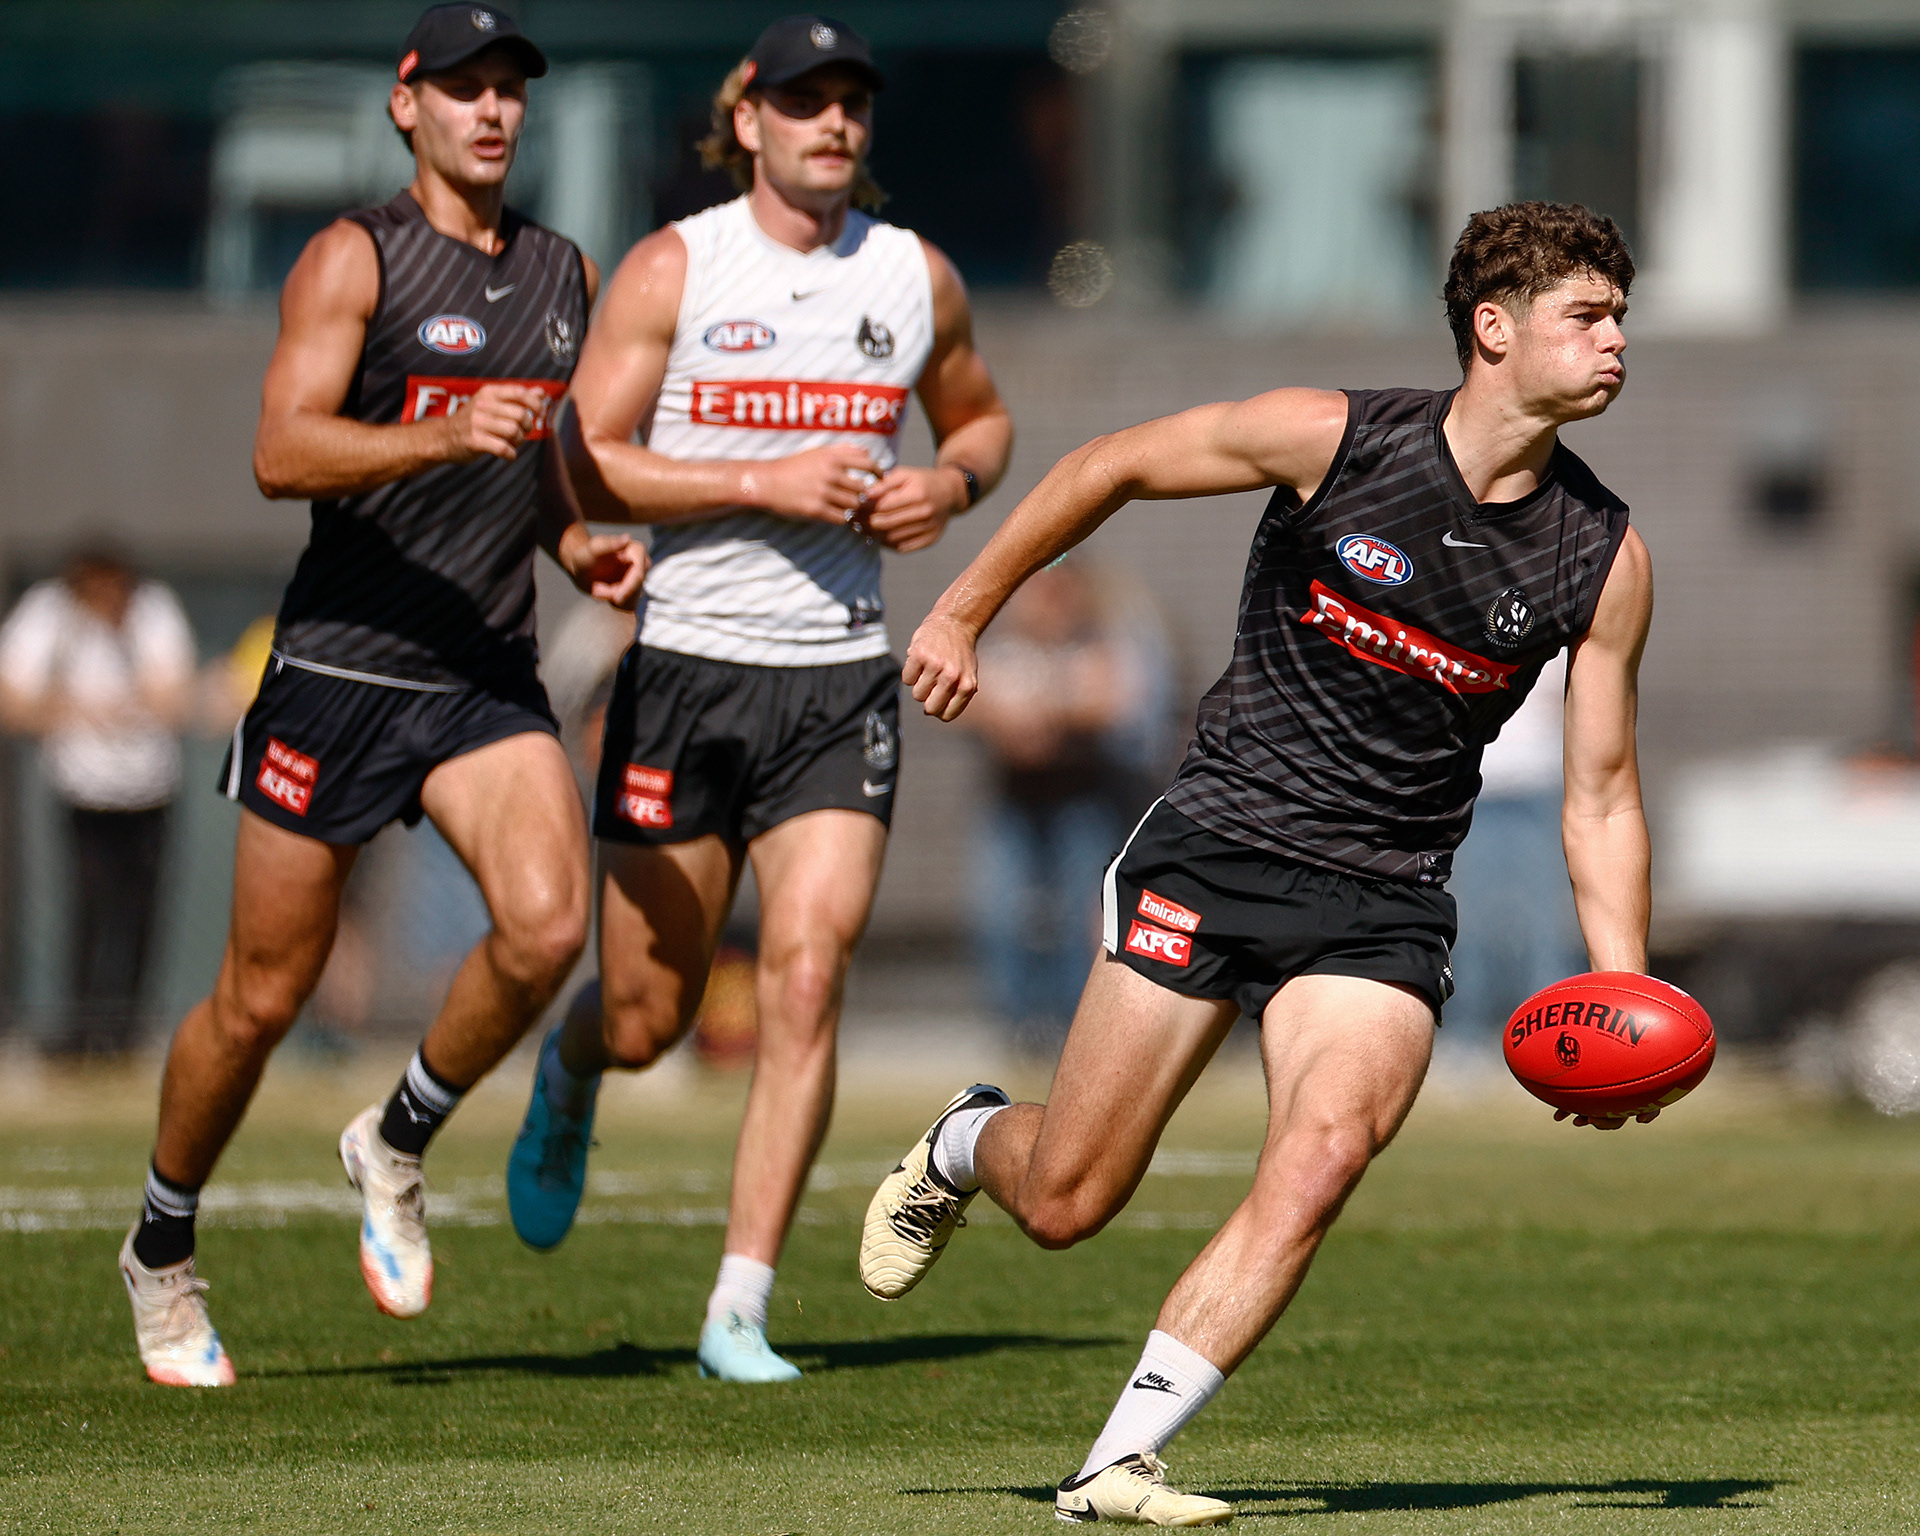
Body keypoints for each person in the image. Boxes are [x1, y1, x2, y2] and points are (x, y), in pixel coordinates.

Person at [860, 201, 1654, 1524]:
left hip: (1385, 899)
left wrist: (1622, 994)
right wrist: (962, 610)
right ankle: (962, 1142)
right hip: (1218, 846)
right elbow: (1108, 465)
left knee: (1324, 1151)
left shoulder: (1605, 556)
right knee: (1065, 1201)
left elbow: (1604, 795)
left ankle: (1115, 1463)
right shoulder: (1332, 438)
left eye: (1622, 315)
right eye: (1587, 315)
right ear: (1495, 329)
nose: (1617, 339)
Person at [116, 2, 644, 1389]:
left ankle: (396, 1138)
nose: (492, 109)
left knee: (548, 928)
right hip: (339, 673)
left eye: (510, 88)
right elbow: (280, 452)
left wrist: (578, 543)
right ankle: (160, 1248)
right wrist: (439, 430)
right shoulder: (353, 254)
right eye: (463, 86)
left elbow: (536, 460)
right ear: (407, 105)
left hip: (481, 675)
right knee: (259, 1000)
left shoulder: (563, 271)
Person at [504, 13, 1013, 1382]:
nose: (832, 121)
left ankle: (739, 1303)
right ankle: (573, 1067)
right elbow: (586, 456)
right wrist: (761, 481)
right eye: (803, 100)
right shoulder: (678, 264)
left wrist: (947, 482)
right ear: (747, 121)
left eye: (851, 101)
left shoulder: (913, 274)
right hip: (683, 668)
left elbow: (981, 417)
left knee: (803, 974)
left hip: (837, 678)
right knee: (647, 1014)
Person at [0, 546, 196, 1056]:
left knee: (142, 912)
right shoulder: (50, 613)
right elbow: (13, 700)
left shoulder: (153, 610)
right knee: (87, 909)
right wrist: (76, 709)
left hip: (150, 791)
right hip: (83, 792)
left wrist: (124, 705)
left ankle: (128, 1030)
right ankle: (81, 1029)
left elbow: (175, 697)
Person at [961, 562, 1134, 1050]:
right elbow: (964, 705)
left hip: (1081, 800)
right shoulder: (1000, 648)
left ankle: (1074, 1023)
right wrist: (1009, 722)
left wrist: (1043, 717)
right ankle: (1020, 1024)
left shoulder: (1093, 645)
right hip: (1012, 800)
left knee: (1086, 915)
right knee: (1000, 912)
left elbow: (1113, 701)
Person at [1444, 650, 1585, 1042]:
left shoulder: (1551, 636)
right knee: (1469, 918)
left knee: (1545, 919)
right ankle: (1467, 1032)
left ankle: (1553, 1031)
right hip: (1475, 789)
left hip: (1536, 787)